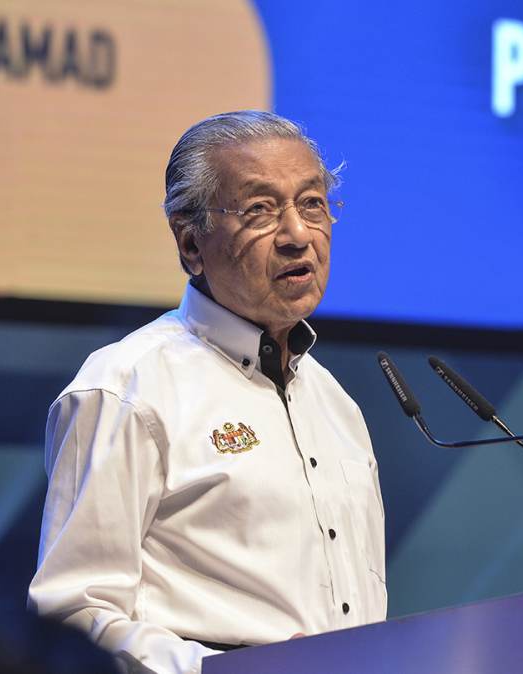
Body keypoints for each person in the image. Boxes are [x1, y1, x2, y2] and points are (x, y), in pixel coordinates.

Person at [27, 111, 387, 673]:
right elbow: (73, 611)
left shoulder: (337, 405)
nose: (297, 236)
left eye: (312, 203)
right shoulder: (127, 388)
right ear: (190, 243)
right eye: (259, 210)